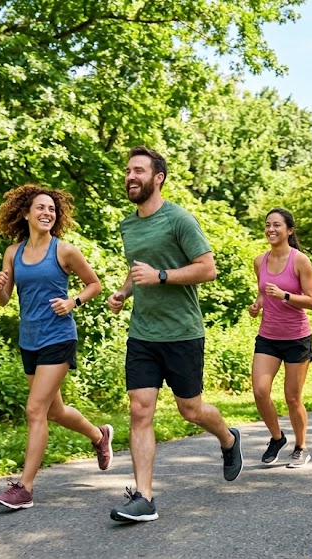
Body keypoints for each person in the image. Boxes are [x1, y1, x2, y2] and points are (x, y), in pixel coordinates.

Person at [106, 146, 242, 523]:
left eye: (138, 171)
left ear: (157, 177)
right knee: (139, 410)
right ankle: (144, 497)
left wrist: (162, 276)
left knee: (191, 410)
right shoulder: (128, 224)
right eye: (128, 171)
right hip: (143, 334)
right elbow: (139, 271)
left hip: (182, 332)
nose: (131, 177)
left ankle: (228, 439)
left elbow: (207, 269)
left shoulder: (179, 219)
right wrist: (124, 292)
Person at [0, 184, 113, 510]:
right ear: (26, 214)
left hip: (59, 338)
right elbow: (3, 302)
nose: (47, 213)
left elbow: (94, 284)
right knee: (54, 411)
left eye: (51, 209)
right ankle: (100, 436)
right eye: (40, 208)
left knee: (35, 410)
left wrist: (73, 301)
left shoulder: (64, 251)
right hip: (29, 340)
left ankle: (24, 488)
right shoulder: (13, 253)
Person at [248, 208, 312, 468]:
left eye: (277, 225)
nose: (271, 229)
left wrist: (285, 296)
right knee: (260, 390)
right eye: (267, 225)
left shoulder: (300, 261)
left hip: (296, 338)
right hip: (268, 336)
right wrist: (257, 306)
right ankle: (277, 438)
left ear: (289, 230)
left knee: (292, 397)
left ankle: (301, 447)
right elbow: (263, 293)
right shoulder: (259, 261)